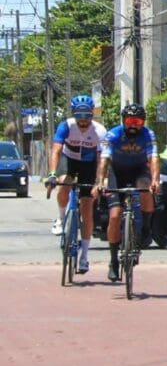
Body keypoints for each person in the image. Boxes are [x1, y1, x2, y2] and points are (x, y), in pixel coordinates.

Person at [92, 103, 160, 282]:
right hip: (117, 172)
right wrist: (100, 182)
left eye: (137, 121)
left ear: (143, 122)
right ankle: (113, 260)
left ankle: (146, 228)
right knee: (114, 217)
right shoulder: (113, 134)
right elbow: (104, 160)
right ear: (123, 121)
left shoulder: (148, 134)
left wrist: (155, 180)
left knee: (146, 188)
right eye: (130, 121)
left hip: (139, 170)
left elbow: (153, 158)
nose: (133, 125)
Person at [45, 95, 106, 274]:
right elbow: (56, 151)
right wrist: (51, 174)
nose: (83, 120)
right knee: (65, 182)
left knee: (87, 208)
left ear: (92, 115)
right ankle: (61, 218)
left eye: (87, 116)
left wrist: (99, 181)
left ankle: (84, 257)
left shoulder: (100, 131)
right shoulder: (66, 126)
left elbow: (102, 159)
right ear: (73, 114)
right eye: (79, 116)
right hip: (69, 160)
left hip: (88, 164)